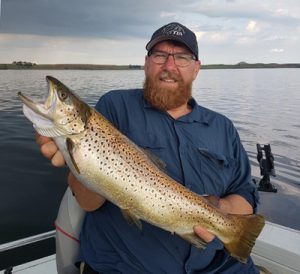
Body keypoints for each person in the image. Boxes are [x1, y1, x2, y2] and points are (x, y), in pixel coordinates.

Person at [37, 22, 260, 273]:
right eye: (159, 55)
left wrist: (217, 211)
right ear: (146, 62)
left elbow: (245, 192)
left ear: (196, 68)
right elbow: (89, 203)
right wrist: (74, 157)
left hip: (220, 268)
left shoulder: (223, 127)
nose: (169, 66)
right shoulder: (116, 106)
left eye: (182, 57)